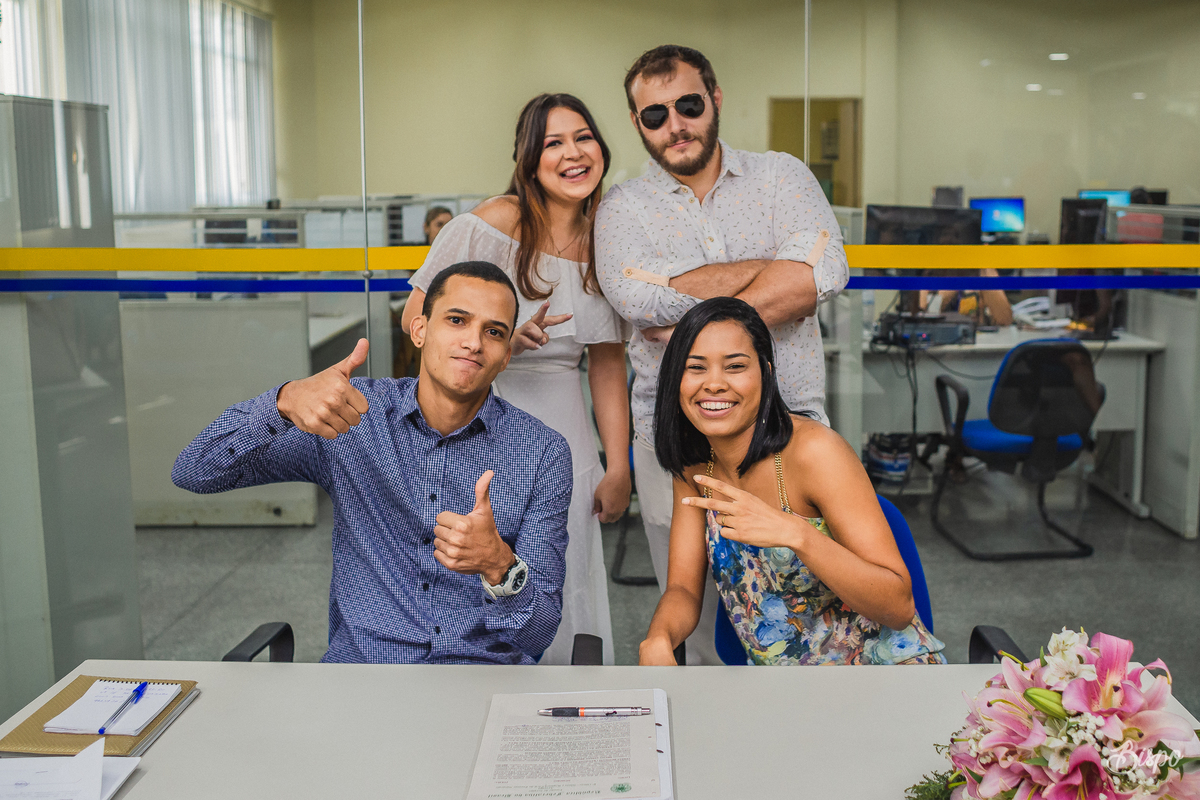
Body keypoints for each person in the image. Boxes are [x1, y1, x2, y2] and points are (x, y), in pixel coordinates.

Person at [173, 261, 573, 665]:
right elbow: (194, 471)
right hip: (364, 672)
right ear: (419, 330)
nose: (473, 342)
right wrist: (283, 401)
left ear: (505, 356)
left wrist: (499, 565)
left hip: (479, 676)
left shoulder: (542, 453)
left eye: (494, 332)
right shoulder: (354, 416)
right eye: (457, 320)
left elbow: (539, 634)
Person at [595, 44, 848, 662]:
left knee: (811, 609)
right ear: (636, 123)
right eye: (655, 115)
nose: (675, 125)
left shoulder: (781, 176)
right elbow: (633, 295)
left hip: (791, 430)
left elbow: (822, 270)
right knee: (694, 615)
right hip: (676, 443)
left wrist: (691, 315)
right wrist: (771, 270)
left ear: (714, 99)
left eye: (688, 105)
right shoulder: (622, 207)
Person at [401, 94, 630, 665]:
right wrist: (501, 340)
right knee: (479, 566)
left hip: (568, 427)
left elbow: (606, 364)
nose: (573, 154)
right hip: (484, 419)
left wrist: (618, 465)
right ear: (529, 160)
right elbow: (415, 319)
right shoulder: (494, 222)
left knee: (564, 571)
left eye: (583, 138)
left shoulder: (606, 237)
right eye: (554, 143)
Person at [638, 297, 946, 666]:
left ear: (766, 373)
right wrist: (659, 636)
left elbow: (898, 607)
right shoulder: (695, 465)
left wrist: (796, 534)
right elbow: (683, 589)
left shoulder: (815, 452)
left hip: (881, 671)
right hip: (780, 684)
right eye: (696, 368)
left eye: (735, 366)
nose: (714, 384)